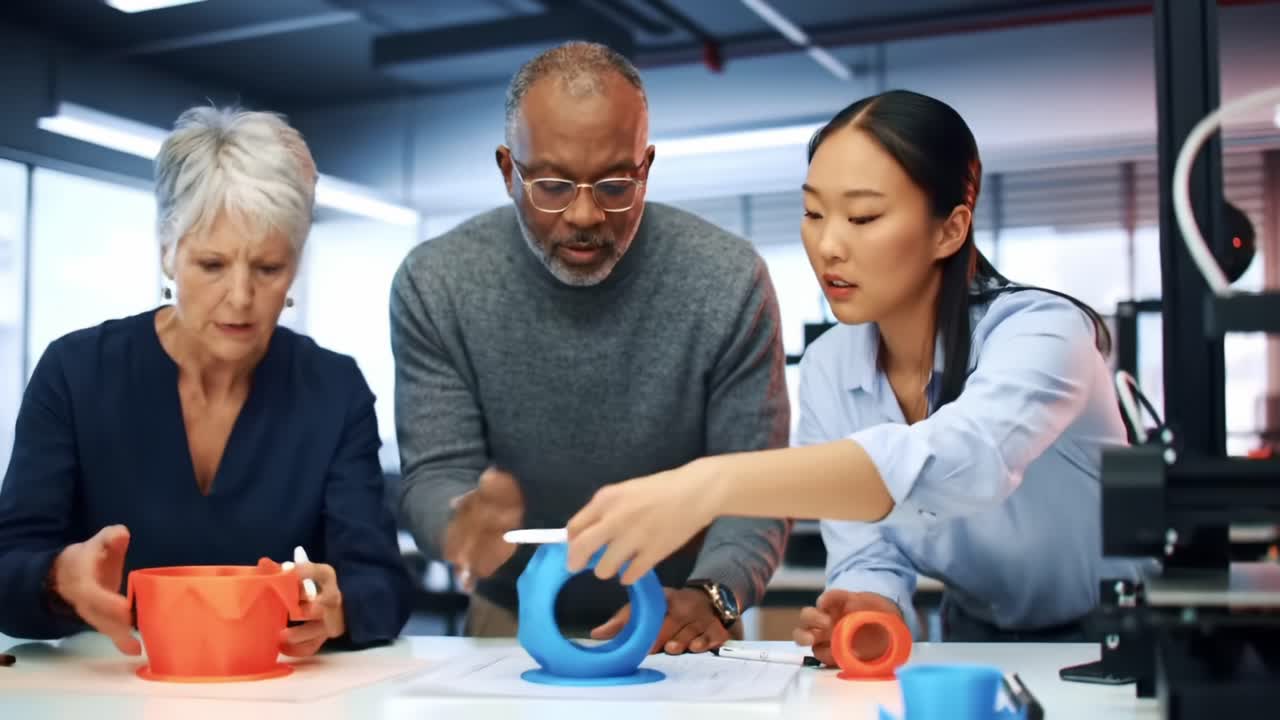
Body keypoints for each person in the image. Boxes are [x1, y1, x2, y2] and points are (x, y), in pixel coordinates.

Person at [565, 90, 1152, 659]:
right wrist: (870, 608)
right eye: (813, 213)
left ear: (950, 229)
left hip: (1124, 634)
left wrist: (707, 485)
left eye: (863, 216)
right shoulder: (830, 364)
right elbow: (868, 548)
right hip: (976, 637)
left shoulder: (1044, 332)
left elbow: (964, 462)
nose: (828, 245)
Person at [391, 41, 790, 654]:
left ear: (646, 167)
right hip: (512, 619)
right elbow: (435, 475)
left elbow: (756, 483)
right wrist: (458, 520)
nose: (583, 214)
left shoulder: (728, 281)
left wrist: (716, 593)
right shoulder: (436, 283)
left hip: (682, 618)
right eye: (552, 185)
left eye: (614, 184)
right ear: (507, 169)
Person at [0, 106, 412, 655]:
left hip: (277, 690)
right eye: (212, 265)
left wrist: (338, 608)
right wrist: (55, 578)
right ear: (167, 253)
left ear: (295, 266)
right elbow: (8, 568)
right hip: (111, 686)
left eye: (267, 268)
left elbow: (382, 585)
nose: (240, 298)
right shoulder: (75, 373)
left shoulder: (334, 389)